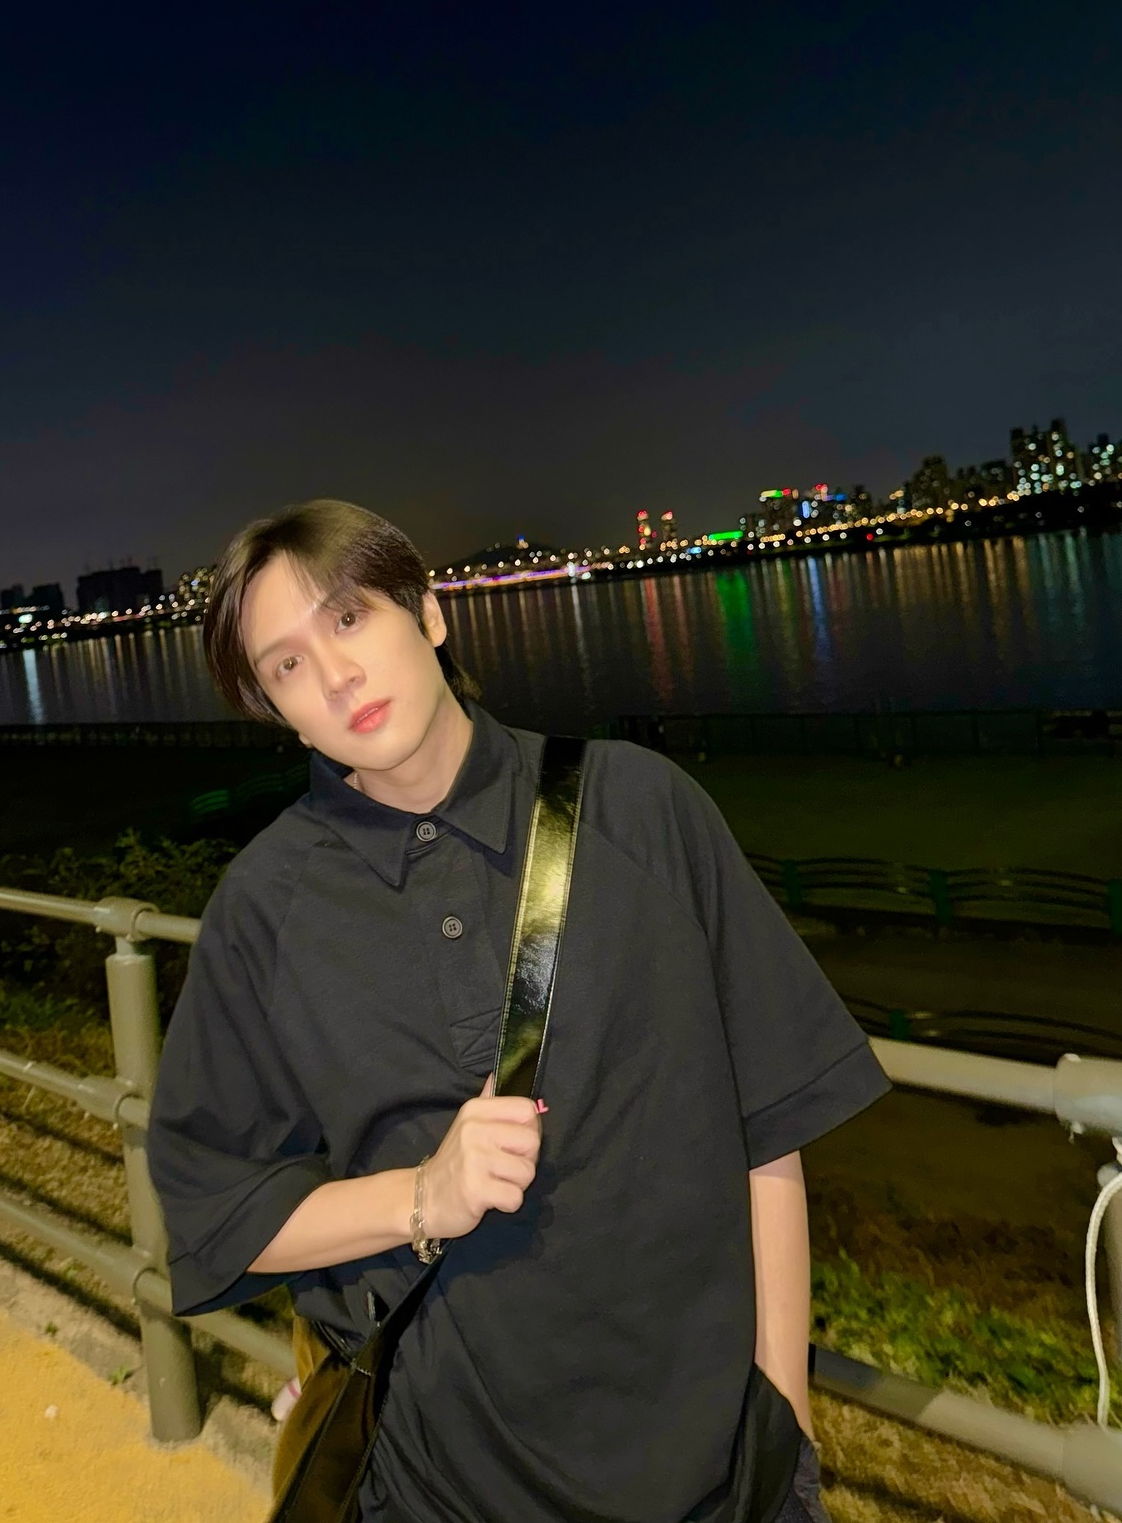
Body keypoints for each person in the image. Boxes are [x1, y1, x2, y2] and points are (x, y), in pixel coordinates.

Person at [147, 499, 889, 1523]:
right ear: (278, 711)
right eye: (287, 665)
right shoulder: (265, 909)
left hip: (713, 1476)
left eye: (351, 618)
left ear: (428, 613)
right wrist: (422, 1197)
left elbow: (770, 1129)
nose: (336, 674)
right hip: (436, 1481)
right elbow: (217, 1210)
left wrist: (785, 1420)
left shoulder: (641, 808)